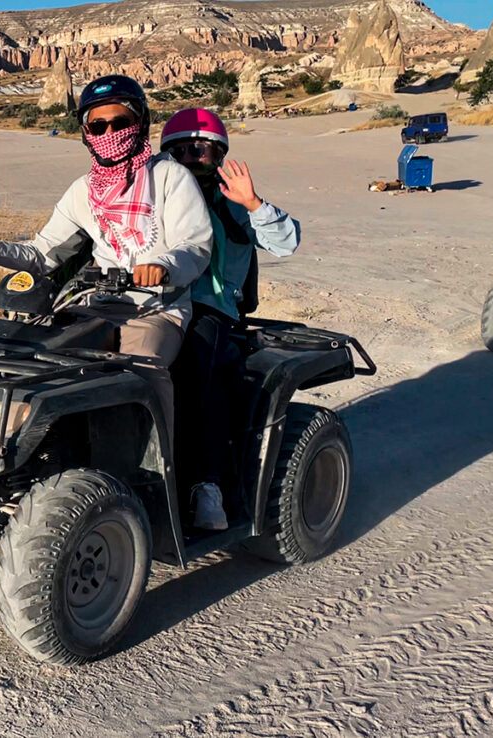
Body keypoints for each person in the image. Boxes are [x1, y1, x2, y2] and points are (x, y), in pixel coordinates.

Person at [0, 76, 213, 446]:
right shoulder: (84, 191)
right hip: (93, 306)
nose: (110, 132)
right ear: (85, 131)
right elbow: (42, 253)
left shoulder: (169, 176)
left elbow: (195, 244)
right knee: (35, 366)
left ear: (140, 124)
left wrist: (164, 267)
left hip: (155, 308)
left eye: (120, 123)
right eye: (98, 125)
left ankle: (157, 470)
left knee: (142, 374)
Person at [161, 108, 300, 529]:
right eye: (181, 150)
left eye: (201, 149)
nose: (191, 158)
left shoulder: (233, 201)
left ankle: (205, 485)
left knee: (193, 373)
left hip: (211, 306)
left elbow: (286, 241)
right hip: (151, 302)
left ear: (218, 154)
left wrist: (254, 203)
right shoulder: (159, 194)